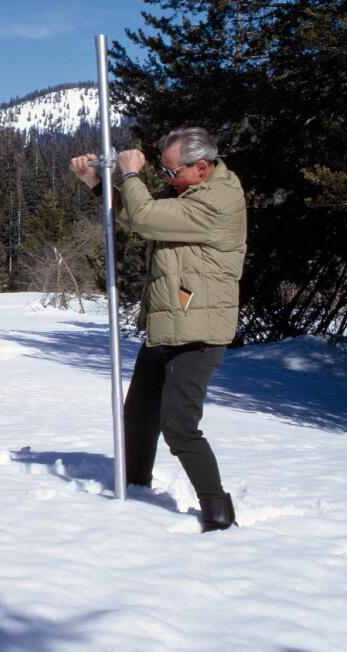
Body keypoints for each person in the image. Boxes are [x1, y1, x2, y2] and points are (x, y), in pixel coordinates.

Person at [70, 126, 246, 531]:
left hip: (199, 331)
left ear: (201, 167)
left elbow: (146, 218)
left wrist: (130, 175)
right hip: (170, 321)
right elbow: (137, 215)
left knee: (180, 427)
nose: (166, 180)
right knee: (138, 416)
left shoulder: (216, 203)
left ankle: (219, 514)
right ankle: (136, 489)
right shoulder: (192, 192)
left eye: (171, 173)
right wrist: (97, 183)